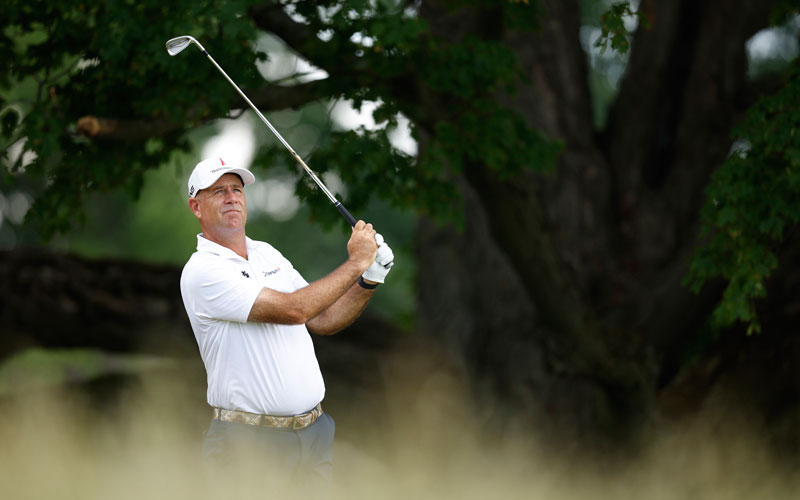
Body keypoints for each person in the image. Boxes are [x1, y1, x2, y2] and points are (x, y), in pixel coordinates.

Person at [179, 157, 393, 493]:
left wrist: (370, 277)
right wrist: (356, 263)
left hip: (314, 434)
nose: (232, 198)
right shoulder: (202, 270)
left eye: (237, 190)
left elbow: (322, 318)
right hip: (250, 441)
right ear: (196, 206)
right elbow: (295, 310)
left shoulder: (267, 253)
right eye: (218, 191)